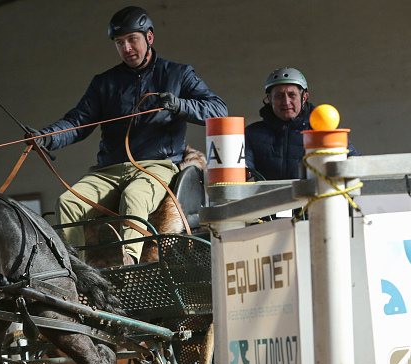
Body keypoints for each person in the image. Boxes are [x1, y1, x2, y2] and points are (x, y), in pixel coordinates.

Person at [26, 6, 227, 265]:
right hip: (107, 170)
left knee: (134, 196)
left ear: (149, 38)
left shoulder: (178, 74)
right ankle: (74, 271)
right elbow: (77, 122)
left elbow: (219, 110)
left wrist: (180, 106)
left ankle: (129, 264)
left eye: (132, 39)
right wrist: (46, 137)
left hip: (156, 166)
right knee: (67, 202)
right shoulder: (104, 83)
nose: (127, 48)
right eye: (119, 43)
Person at [245, 67, 358, 181]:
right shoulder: (252, 133)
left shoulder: (323, 129)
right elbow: (245, 164)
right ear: (270, 99)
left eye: (292, 95)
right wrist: (243, 169)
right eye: (279, 96)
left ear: (304, 98)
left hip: (313, 198)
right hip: (267, 198)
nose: (286, 102)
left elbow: (352, 161)